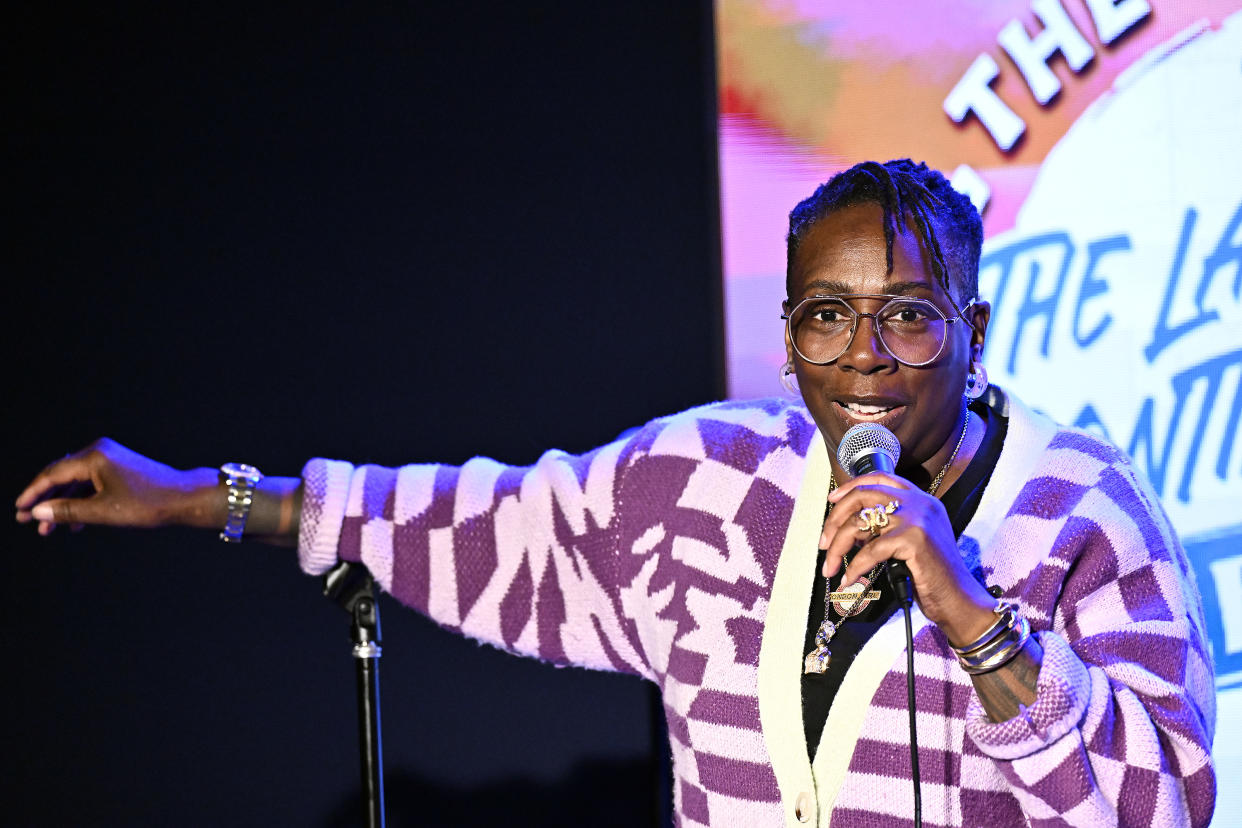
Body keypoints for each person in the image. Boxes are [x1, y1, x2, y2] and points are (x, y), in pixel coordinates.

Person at [16, 160, 1216, 827]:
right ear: (788, 334)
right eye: (826, 317)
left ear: (976, 332)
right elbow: (485, 527)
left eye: (909, 317)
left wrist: (973, 617)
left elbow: (1162, 812)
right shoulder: (704, 484)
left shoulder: (1086, 516)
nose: (863, 355)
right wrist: (208, 500)